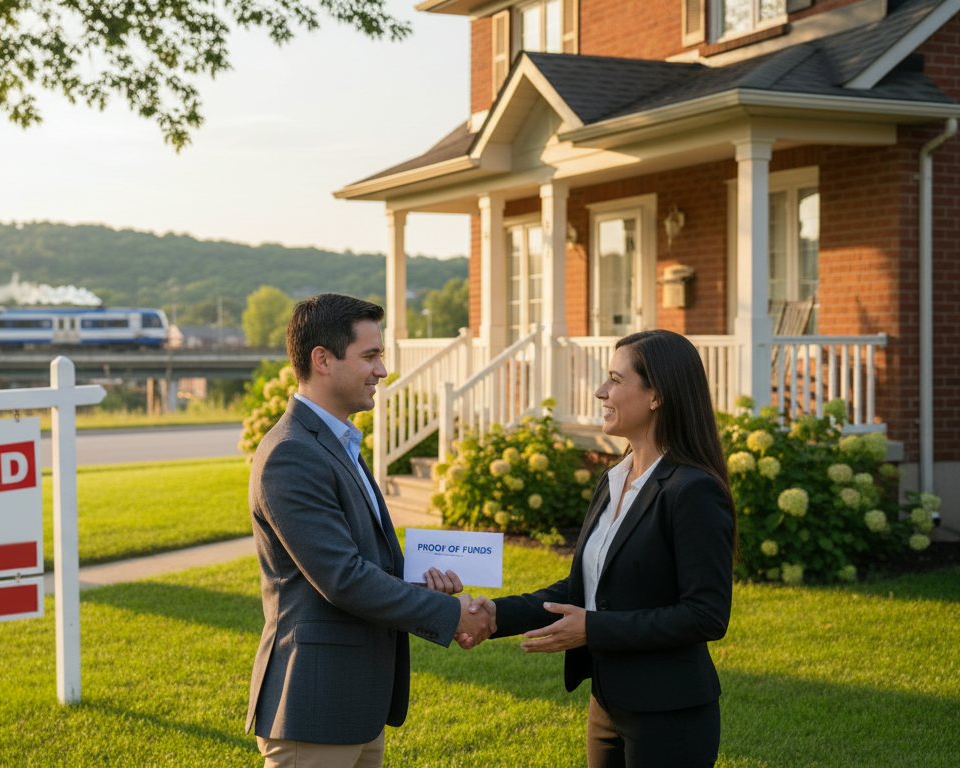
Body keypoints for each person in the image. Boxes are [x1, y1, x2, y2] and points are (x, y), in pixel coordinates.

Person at [460, 329, 735, 768]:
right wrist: (496, 616)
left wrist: (594, 629)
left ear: (656, 396)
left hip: (670, 713)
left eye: (615, 380)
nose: (600, 391)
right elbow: (582, 588)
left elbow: (706, 614)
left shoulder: (692, 490)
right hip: (606, 705)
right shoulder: (613, 480)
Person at [245, 293, 496, 768]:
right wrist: (448, 613)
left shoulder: (339, 441)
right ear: (322, 360)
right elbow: (343, 578)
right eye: (371, 356)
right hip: (314, 708)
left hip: (358, 706)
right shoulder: (291, 453)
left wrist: (419, 582)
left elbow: (365, 561)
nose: (382, 370)